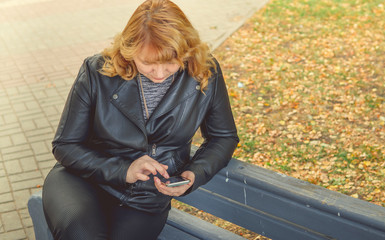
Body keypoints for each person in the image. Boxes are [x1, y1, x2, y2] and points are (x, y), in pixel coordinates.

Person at [42, 0, 239, 239]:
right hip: (82, 179)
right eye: (147, 63)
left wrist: (195, 173)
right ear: (129, 50)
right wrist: (124, 170)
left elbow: (223, 136)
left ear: (187, 51)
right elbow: (65, 146)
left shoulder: (205, 71)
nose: (159, 74)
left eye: (170, 63)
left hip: (146, 197)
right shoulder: (97, 71)